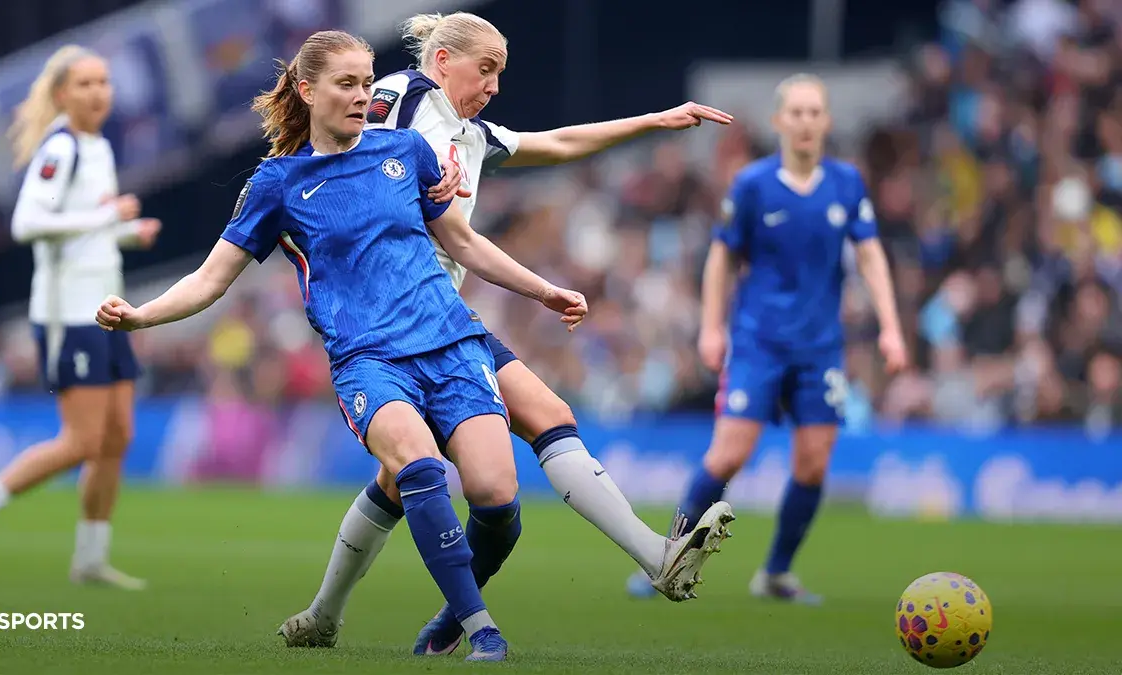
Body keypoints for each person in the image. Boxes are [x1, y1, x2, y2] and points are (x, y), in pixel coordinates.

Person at [95, 30, 589, 662]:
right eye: (346, 84)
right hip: (369, 361)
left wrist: (543, 291)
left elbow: (462, 243)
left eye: (366, 81)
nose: (362, 96)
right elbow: (210, 279)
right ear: (308, 90)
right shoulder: (277, 183)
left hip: (453, 342)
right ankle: (480, 628)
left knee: (496, 497)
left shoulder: (407, 150)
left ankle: (440, 622)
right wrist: (140, 316)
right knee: (417, 465)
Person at [277, 11, 738, 655]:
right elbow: (353, 156)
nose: (494, 84)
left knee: (442, 464)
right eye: (484, 67)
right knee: (438, 465)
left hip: (439, 319)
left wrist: (653, 120)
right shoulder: (402, 97)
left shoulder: (469, 132)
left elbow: (558, 142)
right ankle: (379, 615)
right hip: (387, 319)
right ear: (442, 62)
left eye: (501, 71)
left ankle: (336, 615)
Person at [627, 73, 909, 603]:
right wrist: (712, 327)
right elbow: (721, 257)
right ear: (780, 121)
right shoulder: (753, 185)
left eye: (814, 112)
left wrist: (891, 327)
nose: (805, 121)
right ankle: (664, 558)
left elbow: (870, 254)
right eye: (795, 112)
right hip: (758, 342)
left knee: (813, 463)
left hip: (821, 347)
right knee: (729, 454)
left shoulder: (846, 184)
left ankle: (776, 572)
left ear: (825, 121)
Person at [0, 45, 160, 589]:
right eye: (85, 83)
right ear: (62, 94)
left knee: (118, 435)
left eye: (104, 81)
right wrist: (107, 215)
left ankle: (89, 556)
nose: (98, 91)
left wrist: (125, 233)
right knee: (83, 440)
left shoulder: (96, 146)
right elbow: (27, 222)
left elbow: (81, 229)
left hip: (108, 308)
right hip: (69, 314)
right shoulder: (62, 148)